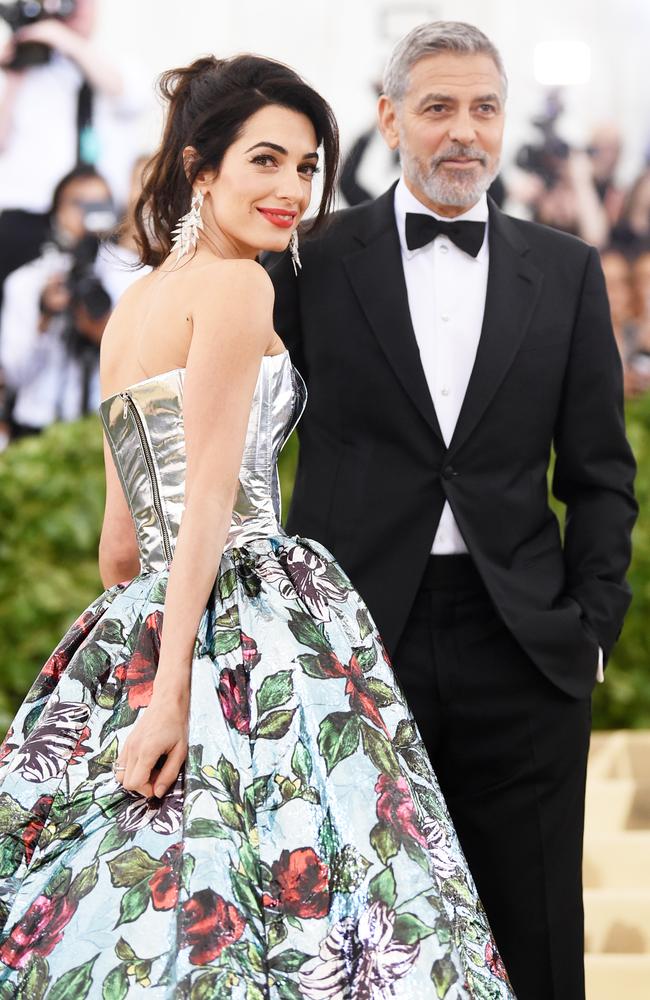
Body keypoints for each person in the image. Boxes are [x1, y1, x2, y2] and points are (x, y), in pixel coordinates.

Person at [0, 54, 514, 999]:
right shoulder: (239, 289)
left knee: (155, 908)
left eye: (309, 167)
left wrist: (141, 665)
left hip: (142, 617)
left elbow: (123, 541)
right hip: (250, 627)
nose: (293, 190)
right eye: (266, 161)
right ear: (202, 169)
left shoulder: (135, 304)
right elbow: (207, 502)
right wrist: (174, 694)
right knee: (330, 904)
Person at [268, 21, 637, 1000]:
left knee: (540, 939)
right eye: (436, 107)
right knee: (364, 942)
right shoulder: (306, 262)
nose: (462, 131)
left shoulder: (561, 273)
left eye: (482, 107)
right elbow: (245, 446)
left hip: (519, 641)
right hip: (353, 645)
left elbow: (598, 470)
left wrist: (589, 629)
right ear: (388, 118)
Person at [0, 0, 146, 298]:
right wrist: (14, 74)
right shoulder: (24, 74)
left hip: (103, 221)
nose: (75, 8)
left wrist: (61, 38)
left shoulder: (118, 66)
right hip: (30, 220)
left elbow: (127, 94)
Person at [0, 165, 143, 439]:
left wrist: (102, 329)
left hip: (103, 430)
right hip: (35, 430)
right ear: (57, 211)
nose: (90, 214)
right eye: (80, 203)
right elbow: (15, 374)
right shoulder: (26, 281)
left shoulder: (134, 275)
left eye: (100, 204)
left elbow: (143, 368)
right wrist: (44, 316)